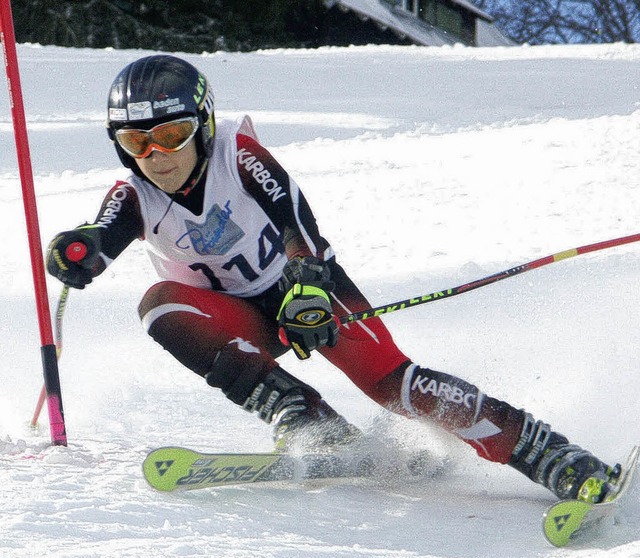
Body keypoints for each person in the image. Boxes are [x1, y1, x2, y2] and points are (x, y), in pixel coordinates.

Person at [47, 55, 619, 503]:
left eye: (170, 135)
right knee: (160, 306)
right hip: (238, 319)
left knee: (395, 385)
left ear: (203, 124)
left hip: (307, 293)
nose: (156, 155)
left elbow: (299, 224)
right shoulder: (134, 195)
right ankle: (306, 420)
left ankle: (548, 454)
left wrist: (307, 284)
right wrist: (82, 252)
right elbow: (104, 237)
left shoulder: (237, 156)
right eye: (134, 142)